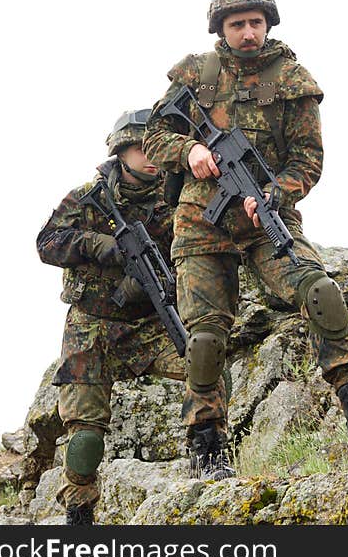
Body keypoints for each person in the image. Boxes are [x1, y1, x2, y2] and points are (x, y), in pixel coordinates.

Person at [143, 0, 348, 454]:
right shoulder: (194, 74)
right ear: (220, 27)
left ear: (268, 23)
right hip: (199, 225)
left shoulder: (294, 81)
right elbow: (154, 138)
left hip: (266, 217)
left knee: (320, 291)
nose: (247, 33)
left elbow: (308, 158)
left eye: (254, 22)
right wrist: (188, 151)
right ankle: (207, 446)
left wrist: (275, 193)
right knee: (205, 337)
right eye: (236, 24)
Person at [36, 110, 232, 526]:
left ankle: (209, 454)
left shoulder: (177, 197)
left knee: (206, 363)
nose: (149, 156)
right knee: (85, 435)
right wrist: (97, 245)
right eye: (138, 147)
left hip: (151, 321)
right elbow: (47, 242)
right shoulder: (88, 196)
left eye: (153, 146)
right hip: (91, 328)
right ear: (119, 150)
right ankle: (79, 510)